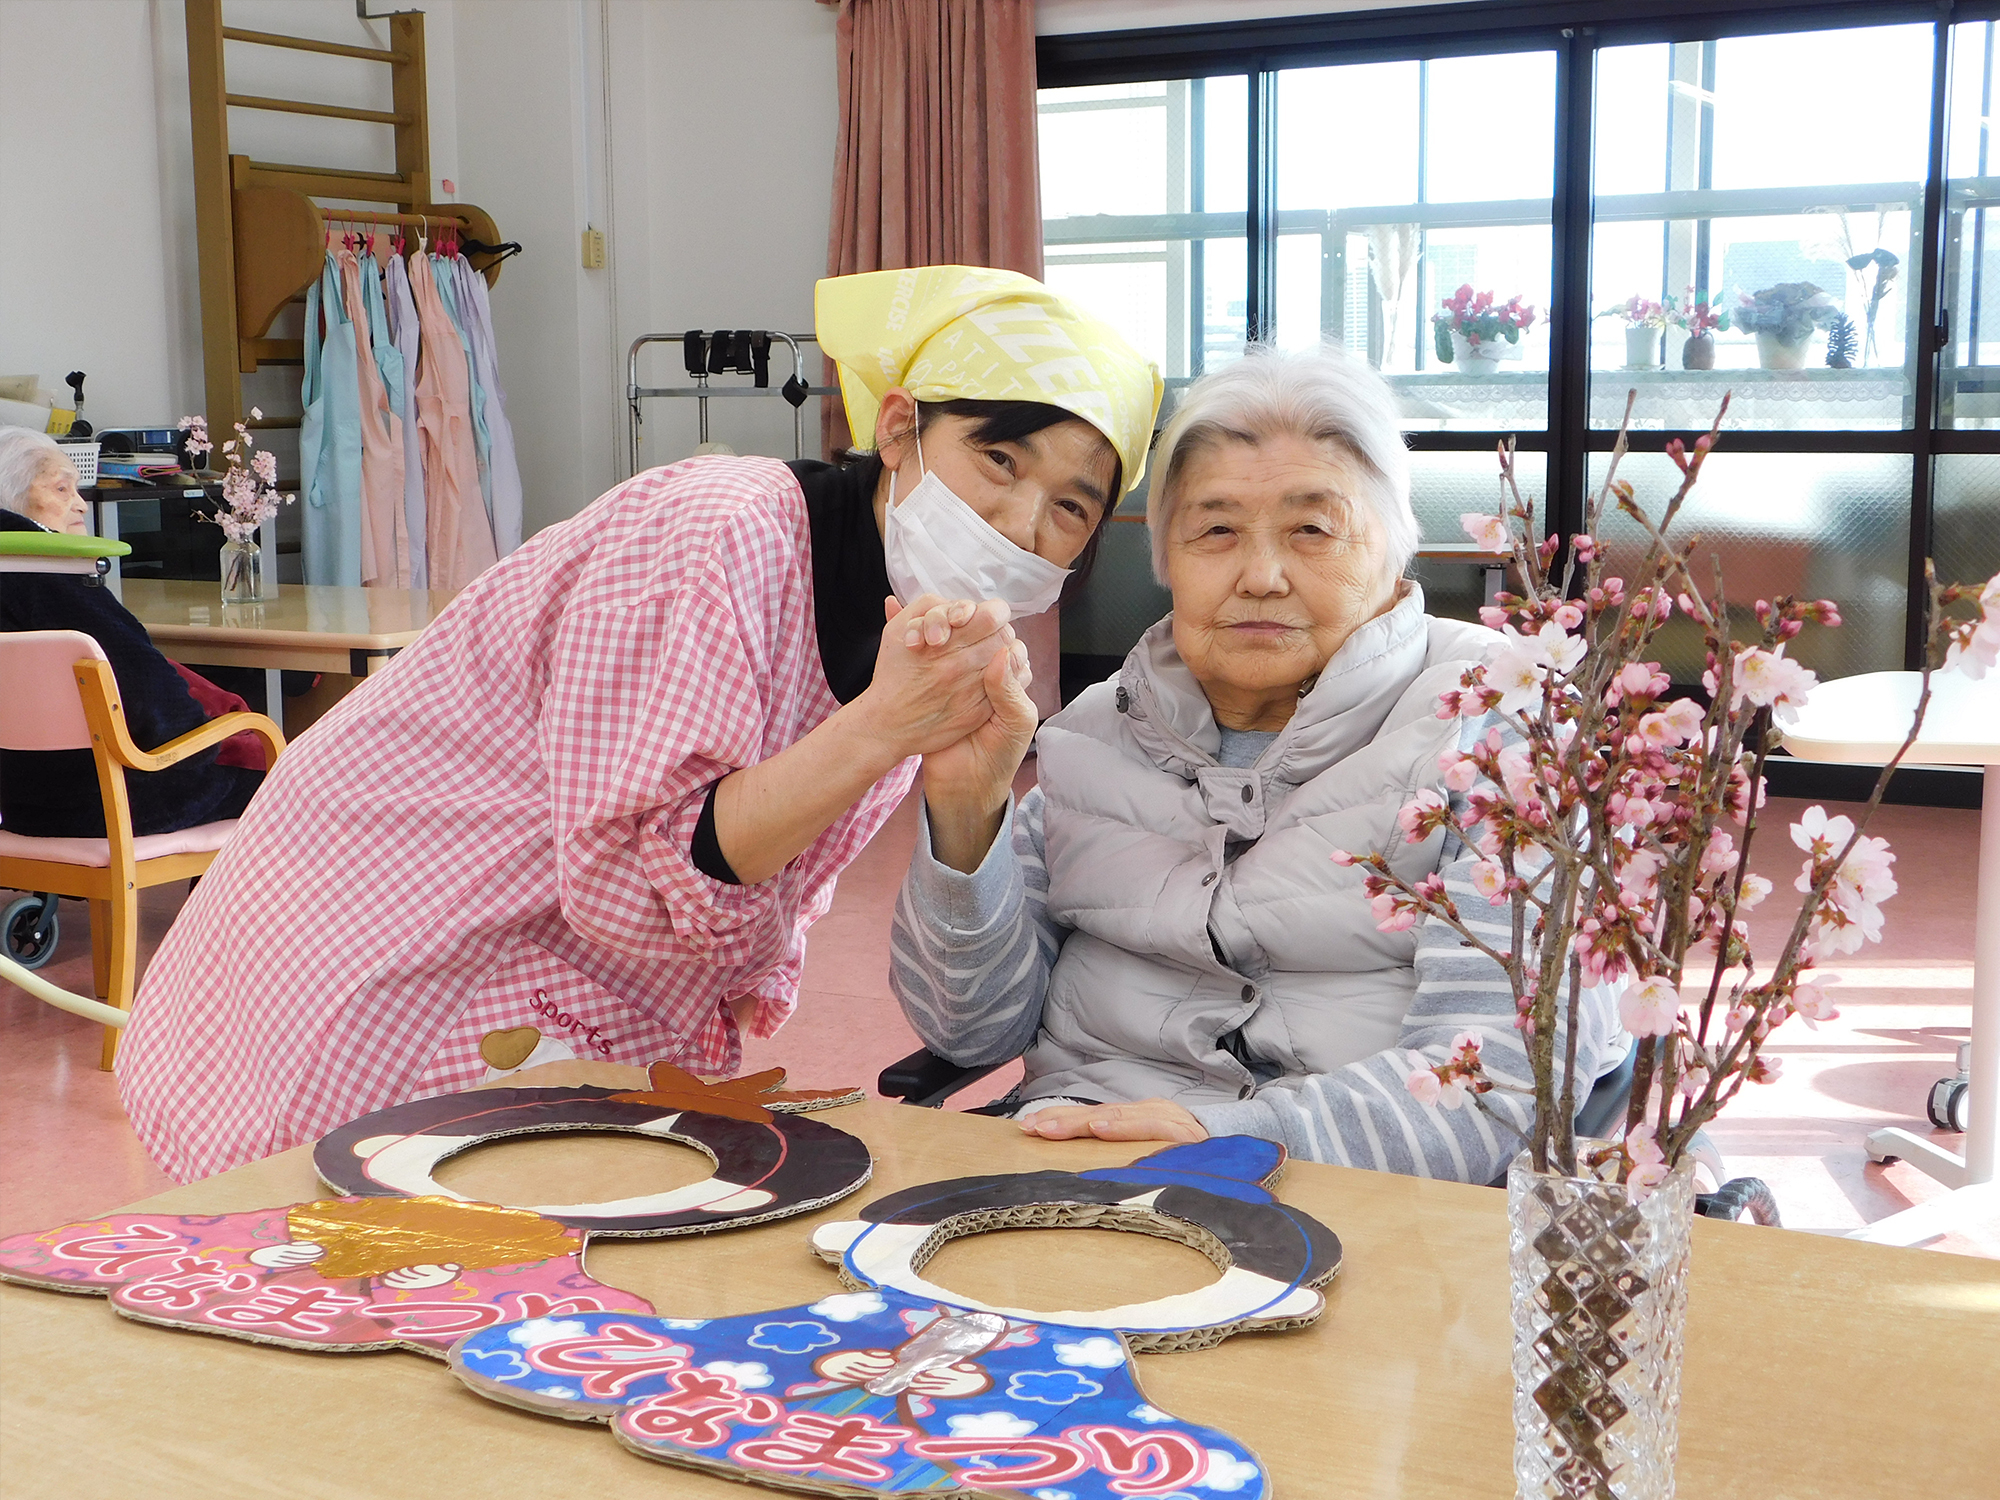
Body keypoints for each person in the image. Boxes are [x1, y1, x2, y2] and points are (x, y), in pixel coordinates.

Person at [118, 267, 1163, 1182]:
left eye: (1070, 508)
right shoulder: (721, 537)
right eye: (999, 464)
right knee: (336, 1263)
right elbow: (636, 876)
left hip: (543, 975)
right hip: (387, 934)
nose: (1022, 524)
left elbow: (765, 881)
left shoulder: (904, 632)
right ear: (898, 430)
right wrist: (881, 733)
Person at [890, 346, 1625, 1182]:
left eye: (1313, 529)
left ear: (1394, 555)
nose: (1262, 576)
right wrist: (965, 810)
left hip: (1353, 1193)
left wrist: (1224, 1139)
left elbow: (1495, 1082)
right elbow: (967, 1034)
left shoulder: (1503, 731)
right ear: (1165, 559)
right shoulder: (1091, 735)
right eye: (1216, 531)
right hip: (1071, 1166)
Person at [0, 427, 266, 839]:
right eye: (61, 489)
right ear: (12, 500)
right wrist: (209, 742)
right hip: (115, 804)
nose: (80, 505)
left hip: (20, 806)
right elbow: (160, 709)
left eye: (78, 490)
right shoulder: (56, 583)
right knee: (284, 786)